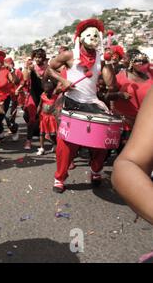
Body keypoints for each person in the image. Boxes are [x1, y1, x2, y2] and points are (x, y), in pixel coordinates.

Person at [47, 19, 116, 193]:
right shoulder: (69, 56)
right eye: (89, 34)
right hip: (72, 102)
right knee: (66, 144)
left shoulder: (100, 58)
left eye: (96, 35)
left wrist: (108, 62)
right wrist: (63, 80)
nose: (93, 38)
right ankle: (60, 177)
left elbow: (110, 84)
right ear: (80, 38)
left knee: (101, 141)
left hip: (92, 102)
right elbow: (50, 69)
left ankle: (95, 170)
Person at [112, 87, 153, 225]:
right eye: (135, 62)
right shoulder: (121, 78)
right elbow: (129, 163)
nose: (139, 63)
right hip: (126, 122)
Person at [106, 51, 152, 151]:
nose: (141, 64)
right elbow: (108, 96)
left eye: (144, 61)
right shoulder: (121, 77)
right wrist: (119, 95)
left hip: (146, 123)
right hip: (125, 123)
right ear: (131, 63)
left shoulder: (151, 78)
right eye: (138, 61)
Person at [22, 49, 48, 150]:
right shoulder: (32, 67)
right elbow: (25, 79)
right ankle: (28, 140)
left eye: (40, 57)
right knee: (32, 119)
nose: (38, 59)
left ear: (44, 58)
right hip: (33, 95)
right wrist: (27, 69)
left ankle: (47, 140)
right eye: (36, 57)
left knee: (46, 119)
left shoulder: (48, 68)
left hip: (44, 96)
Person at [36, 80, 59, 155]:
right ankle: (42, 148)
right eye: (45, 92)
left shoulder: (56, 97)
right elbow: (40, 105)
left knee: (53, 134)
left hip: (52, 117)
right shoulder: (42, 96)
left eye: (48, 92)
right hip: (43, 116)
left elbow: (58, 107)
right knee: (41, 133)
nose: (46, 93)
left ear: (52, 91)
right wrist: (37, 113)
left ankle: (55, 145)